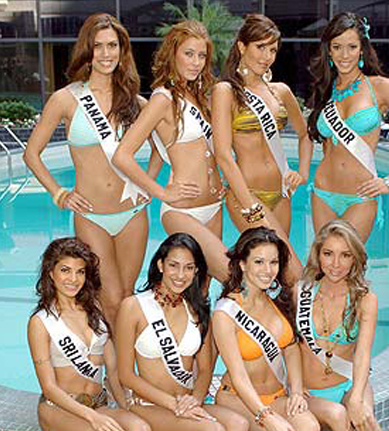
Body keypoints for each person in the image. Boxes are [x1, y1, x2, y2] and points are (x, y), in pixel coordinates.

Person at [23, 13, 150, 327]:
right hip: (91, 215)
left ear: (122, 51)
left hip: (133, 213)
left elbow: (164, 147)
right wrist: (59, 193)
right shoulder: (65, 99)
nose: (106, 54)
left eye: (113, 46)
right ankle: (119, 361)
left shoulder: (135, 102)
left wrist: (150, 185)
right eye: (98, 46)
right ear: (87, 51)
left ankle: (122, 359)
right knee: (109, 299)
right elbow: (31, 154)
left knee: (127, 298)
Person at [113, 20, 229, 284]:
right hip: (183, 211)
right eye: (189, 54)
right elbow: (122, 155)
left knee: (200, 292)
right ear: (173, 53)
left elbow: (165, 148)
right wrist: (161, 192)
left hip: (214, 206)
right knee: (232, 276)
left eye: (201, 56)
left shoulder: (199, 97)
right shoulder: (162, 99)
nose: (196, 62)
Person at [307, 12, 389, 241]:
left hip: (361, 196)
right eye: (337, 47)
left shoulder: (381, 87)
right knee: (324, 261)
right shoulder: (325, 89)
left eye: (352, 47)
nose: (345, 55)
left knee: (350, 260)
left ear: (362, 49)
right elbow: (327, 145)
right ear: (329, 51)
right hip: (322, 192)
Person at [212, 14, 311, 283]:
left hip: (281, 194)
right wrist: (249, 205)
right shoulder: (225, 91)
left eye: (273, 50)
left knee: (278, 276)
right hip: (247, 196)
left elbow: (305, 135)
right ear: (242, 46)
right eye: (260, 47)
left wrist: (302, 173)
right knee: (293, 271)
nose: (267, 56)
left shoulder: (281, 91)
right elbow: (223, 154)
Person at [116, 233, 249, 431]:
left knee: (239, 424)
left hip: (187, 403)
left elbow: (204, 370)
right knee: (212, 429)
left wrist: (195, 400)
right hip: (150, 405)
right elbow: (126, 375)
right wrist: (174, 404)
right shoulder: (133, 306)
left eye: (188, 267)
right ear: (161, 265)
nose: (180, 275)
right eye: (173, 265)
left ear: (196, 271)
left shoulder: (197, 310)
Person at [27, 237, 150, 431]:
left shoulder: (95, 312)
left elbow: (113, 371)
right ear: (51, 273)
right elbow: (49, 388)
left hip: (98, 405)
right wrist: (93, 418)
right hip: (59, 408)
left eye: (80, 272)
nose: (73, 279)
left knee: (140, 427)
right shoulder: (41, 322)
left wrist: (126, 408)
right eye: (65, 270)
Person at [213, 227, 320, 431]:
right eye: (259, 262)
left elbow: (291, 347)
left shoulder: (278, 300)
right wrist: (266, 416)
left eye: (274, 262)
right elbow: (238, 376)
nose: (268, 270)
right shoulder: (226, 313)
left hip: (277, 395)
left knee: (309, 427)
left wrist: (296, 391)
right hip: (239, 399)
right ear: (242, 264)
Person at [295, 220, 381, 431]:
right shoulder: (300, 293)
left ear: (355, 258)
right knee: (337, 415)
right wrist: (294, 384)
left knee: (366, 420)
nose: (335, 264)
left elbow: (363, 354)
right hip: (309, 391)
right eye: (328, 254)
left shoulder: (365, 299)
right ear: (318, 254)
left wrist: (356, 398)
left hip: (347, 384)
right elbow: (287, 345)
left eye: (345, 255)